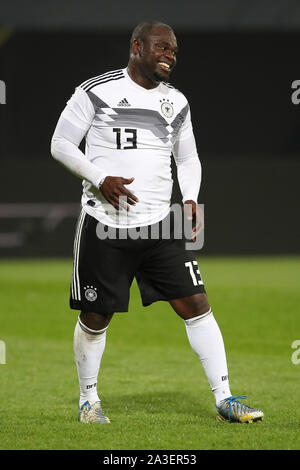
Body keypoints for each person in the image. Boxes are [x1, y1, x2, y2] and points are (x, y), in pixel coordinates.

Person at [51, 20, 264, 424]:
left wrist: (188, 199)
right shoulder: (96, 90)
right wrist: (100, 178)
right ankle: (88, 401)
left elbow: (187, 158)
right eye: (162, 48)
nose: (170, 56)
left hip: (159, 227)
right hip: (104, 225)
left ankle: (225, 397)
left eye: (174, 51)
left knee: (197, 306)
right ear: (137, 47)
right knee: (95, 318)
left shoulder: (176, 102)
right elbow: (60, 143)